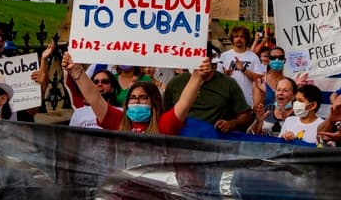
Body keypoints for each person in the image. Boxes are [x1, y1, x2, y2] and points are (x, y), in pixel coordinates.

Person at [63, 53, 211, 135]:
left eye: (142, 98)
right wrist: (77, 72)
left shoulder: (164, 124)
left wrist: (197, 76)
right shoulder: (118, 121)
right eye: (133, 98)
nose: (137, 102)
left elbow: (184, 103)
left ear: (153, 102)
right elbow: (94, 98)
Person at [164, 43, 255, 133]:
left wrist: (232, 123)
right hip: (180, 142)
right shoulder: (175, 83)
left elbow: (245, 116)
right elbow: (164, 115)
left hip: (214, 141)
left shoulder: (229, 84)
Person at [218, 25, 265, 107]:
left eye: (242, 36)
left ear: (246, 39)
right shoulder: (224, 56)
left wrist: (243, 70)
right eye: (236, 36)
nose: (239, 39)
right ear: (232, 39)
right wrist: (224, 76)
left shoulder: (253, 57)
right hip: (227, 101)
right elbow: (216, 78)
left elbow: (259, 78)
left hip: (247, 101)